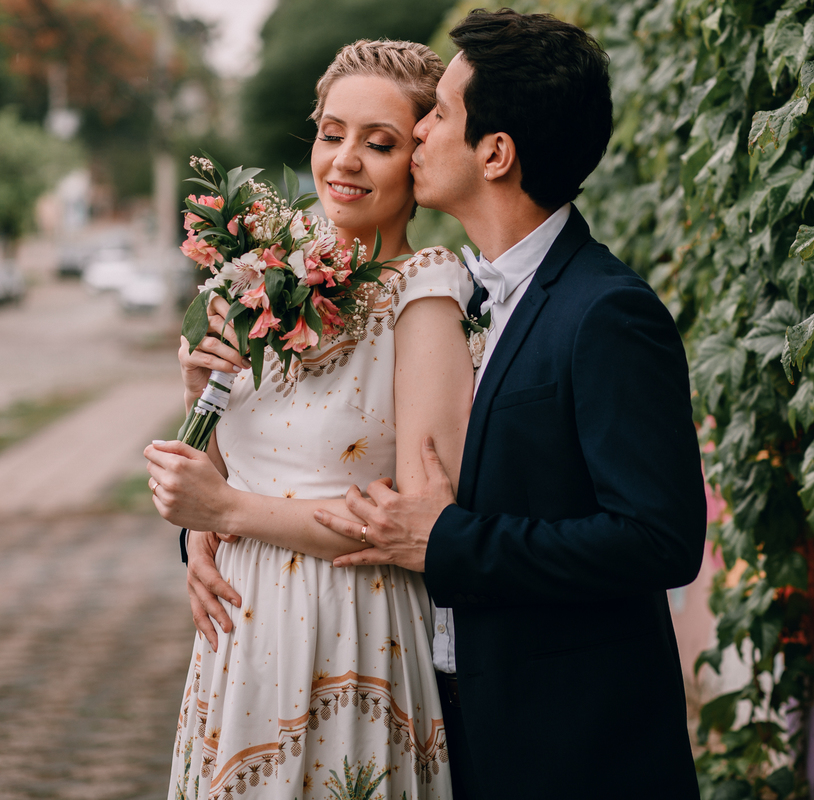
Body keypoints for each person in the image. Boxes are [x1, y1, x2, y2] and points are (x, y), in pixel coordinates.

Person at [313, 10, 708, 800]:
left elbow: (659, 540)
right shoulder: (451, 294)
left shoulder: (607, 311)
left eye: (441, 114)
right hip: (460, 725)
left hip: (576, 746)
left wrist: (453, 541)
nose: (419, 131)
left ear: (495, 152)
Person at [144, 39, 474, 800]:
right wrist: (198, 397)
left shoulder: (424, 295)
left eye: (379, 142)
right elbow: (228, 473)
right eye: (332, 134)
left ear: (419, 158)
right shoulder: (261, 277)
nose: (345, 161)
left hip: (351, 629)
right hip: (239, 634)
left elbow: (427, 524)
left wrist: (225, 509)